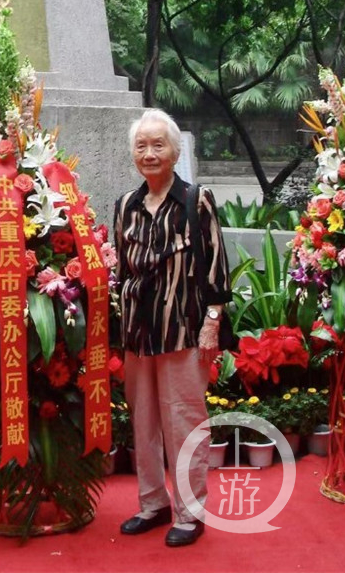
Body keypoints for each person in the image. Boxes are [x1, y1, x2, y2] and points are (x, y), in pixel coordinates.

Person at [112, 108, 231, 547]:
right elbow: (121, 269)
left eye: (158, 144)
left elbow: (217, 265)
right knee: (143, 422)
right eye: (141, 146)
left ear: (175, 151)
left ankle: (189, 511)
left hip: (182, 329)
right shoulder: (126, 204)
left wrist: (212, 323)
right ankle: (152, 503)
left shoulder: (196, 199)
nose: (149, 153)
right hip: (138, 333)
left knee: (184, 420)